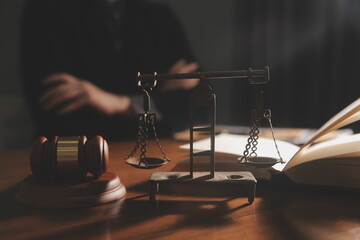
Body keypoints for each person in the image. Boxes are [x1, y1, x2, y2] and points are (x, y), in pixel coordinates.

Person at [21, 0, 199, 140]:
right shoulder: (47, 10)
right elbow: (57, 120)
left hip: (155, 155)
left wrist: (118, 103)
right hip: (75, 164)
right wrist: (156, 99)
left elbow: (199, 106)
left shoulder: (160, 16)